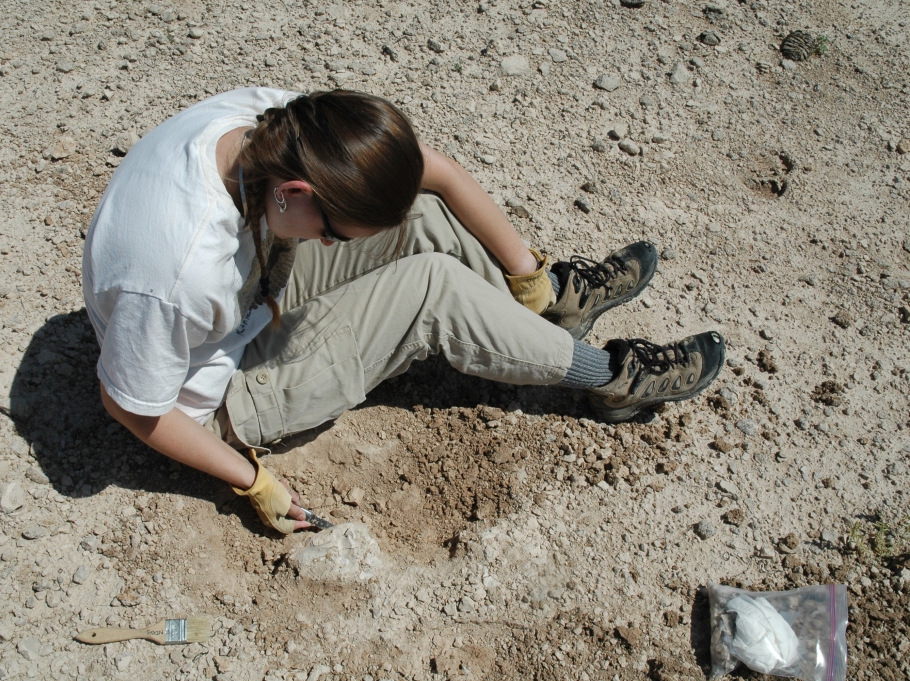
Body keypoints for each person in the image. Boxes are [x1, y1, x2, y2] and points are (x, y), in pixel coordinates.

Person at [82, 87, 725, 534]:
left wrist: (527, 275)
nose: (334, 246)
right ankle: (610, 378)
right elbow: (133, 405)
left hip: (251, 284)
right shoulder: (178, 271)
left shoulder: (274, 124)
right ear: (298, 194)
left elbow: (436, 176)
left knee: (417, 215)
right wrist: (249, 478)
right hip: (215, 392)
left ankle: (549, 307)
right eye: (332, 232)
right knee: (431, 287)